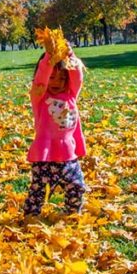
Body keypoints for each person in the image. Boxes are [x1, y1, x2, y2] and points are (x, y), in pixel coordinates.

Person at [23, 44, 87, 216]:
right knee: (38, 191)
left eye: (62, 78)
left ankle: (72, 214)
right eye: (52, 77)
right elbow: (41, 79)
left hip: (68, 154)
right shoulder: (40, 95)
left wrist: (69, 54)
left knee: (77, 186)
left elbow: (77, 75)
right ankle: (30, 217)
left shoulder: (71, 94)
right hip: (44, 156)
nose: (57, 82)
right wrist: (49, 58)